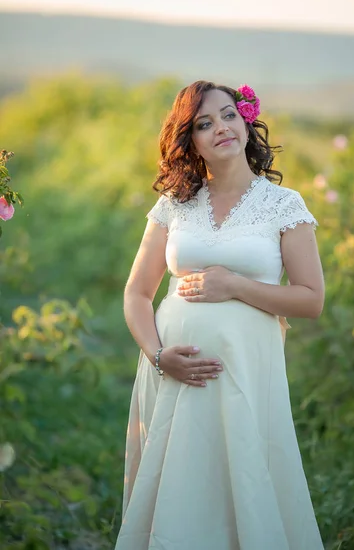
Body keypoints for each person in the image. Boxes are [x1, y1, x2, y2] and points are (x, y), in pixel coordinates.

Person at [115, 80, 325, 550]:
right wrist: (158, 354)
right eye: (204, 124)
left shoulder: (283, 206)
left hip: (247, 374)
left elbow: (311, 299)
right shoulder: (174, 205)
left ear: (246, 121)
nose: (221, 128)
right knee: (177, 491)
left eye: (229, 115)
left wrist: (234, 286)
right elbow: (137, 294)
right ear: (190, 140)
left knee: (244, 487)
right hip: (172, 374)